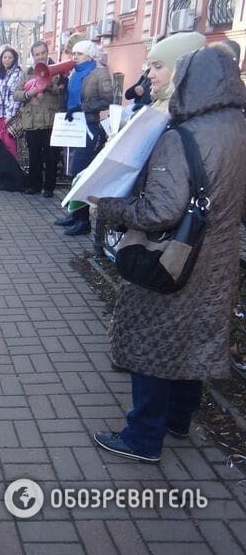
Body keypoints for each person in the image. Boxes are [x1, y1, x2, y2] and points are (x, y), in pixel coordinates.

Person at [90, 46, 246, 463]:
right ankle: (178, 419)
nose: (153, 74)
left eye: (162, 68)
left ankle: (143, 437)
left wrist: (108, 206)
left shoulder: (181, 137)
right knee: (194, 337)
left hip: (175, 256)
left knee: (152, 343)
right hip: (220, 256)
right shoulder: (239, 126)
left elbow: (159, 210)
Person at [53, 40, 113, 236]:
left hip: (88, 125)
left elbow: (107, 99)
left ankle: (83, 221)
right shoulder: (74, 73)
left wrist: (82, 107)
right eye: (74, 53)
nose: (75, 57)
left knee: (81, 173)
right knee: (73, 172)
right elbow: (70, 97)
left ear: (88, 55)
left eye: (79, 54)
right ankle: (75, 213)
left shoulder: (99, 72)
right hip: (74, 125)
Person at [14, 41, 63, 197]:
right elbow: (16, 94)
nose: (40, 56)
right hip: (32, 121)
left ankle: (49, 187)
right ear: (32, 56)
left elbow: (61, 91)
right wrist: (28, 94)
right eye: (37, 54)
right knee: (34, 155)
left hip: (50, 120)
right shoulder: (27, 72)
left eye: (43, 53)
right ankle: (33, 185)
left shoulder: (56, 70)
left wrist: (48, 84)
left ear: (47, 53)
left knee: (51, 156)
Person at [143, 32, 206, 112]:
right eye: (150, 67)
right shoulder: (162, 102)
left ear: (181, 68)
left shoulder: (186, 111)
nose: (149, 75)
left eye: (158, 66)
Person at [0, 45, 23, 159]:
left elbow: (14, 97)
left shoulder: (17, 74)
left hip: (7, 116)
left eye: (10, 57)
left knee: (9, 145)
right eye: (4, 57)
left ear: (14, 59)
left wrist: (10, 116)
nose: (7, 60)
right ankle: (0, 171)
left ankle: (11, 172)